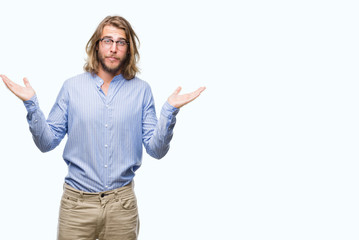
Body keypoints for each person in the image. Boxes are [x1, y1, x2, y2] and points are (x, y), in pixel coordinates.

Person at [1, 15, 205, 240]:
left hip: (122, 207)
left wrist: (169, 110)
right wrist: (31, 104)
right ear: (96, 46)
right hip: (76, 206)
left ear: (129, 49)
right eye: (107, 41)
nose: (113, 48)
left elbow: (156, 150)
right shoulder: (72, 87)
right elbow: (46, 143)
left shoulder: (142, 91)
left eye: (121, 42)